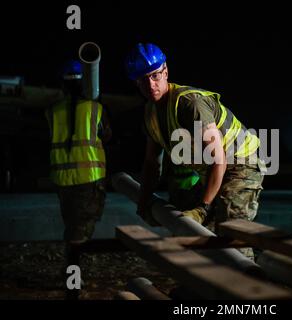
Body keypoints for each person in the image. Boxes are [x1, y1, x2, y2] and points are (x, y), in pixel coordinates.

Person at [125, 43, 264, 257]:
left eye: (154, 76)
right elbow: (152, 163)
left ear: (166, 72)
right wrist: (144, 202)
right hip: (213, 168)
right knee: (193, 230)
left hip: (240, 162)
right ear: (136, 83)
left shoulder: (190, 104)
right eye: (143, 80)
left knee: (230, 228)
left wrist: (203, 208)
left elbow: (219, 159)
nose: (150, 84)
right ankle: (205, 286)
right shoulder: (150, 114)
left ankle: (247, 282)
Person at [45, 60, 111, 266]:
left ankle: (72, 271)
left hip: (62, 180)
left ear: (62, 86)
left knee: (72, 225)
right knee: (81, 230)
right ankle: (72, 277)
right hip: (89, 179)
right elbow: (107, 136)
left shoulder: (52, 111)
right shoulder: (95, 108)